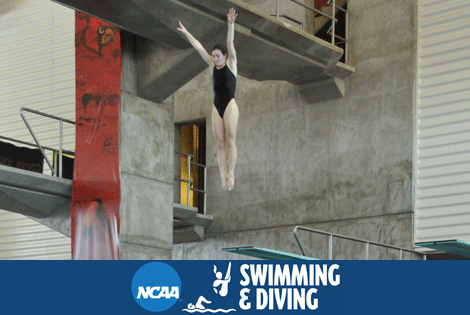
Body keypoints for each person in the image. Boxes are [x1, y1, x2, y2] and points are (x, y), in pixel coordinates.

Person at [177, 8, 239, 191]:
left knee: (230, 140)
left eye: (219, 56)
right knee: (220, 144)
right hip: (216, 107)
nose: (216, 58)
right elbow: (198, 47)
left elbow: (230, 42)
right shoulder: (212, 65)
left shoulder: (232, 64)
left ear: (225, 56)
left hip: (230, 105)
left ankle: (232, 172)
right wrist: (187, 33)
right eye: (214, 56)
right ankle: (223, 176)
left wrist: (230, 25)